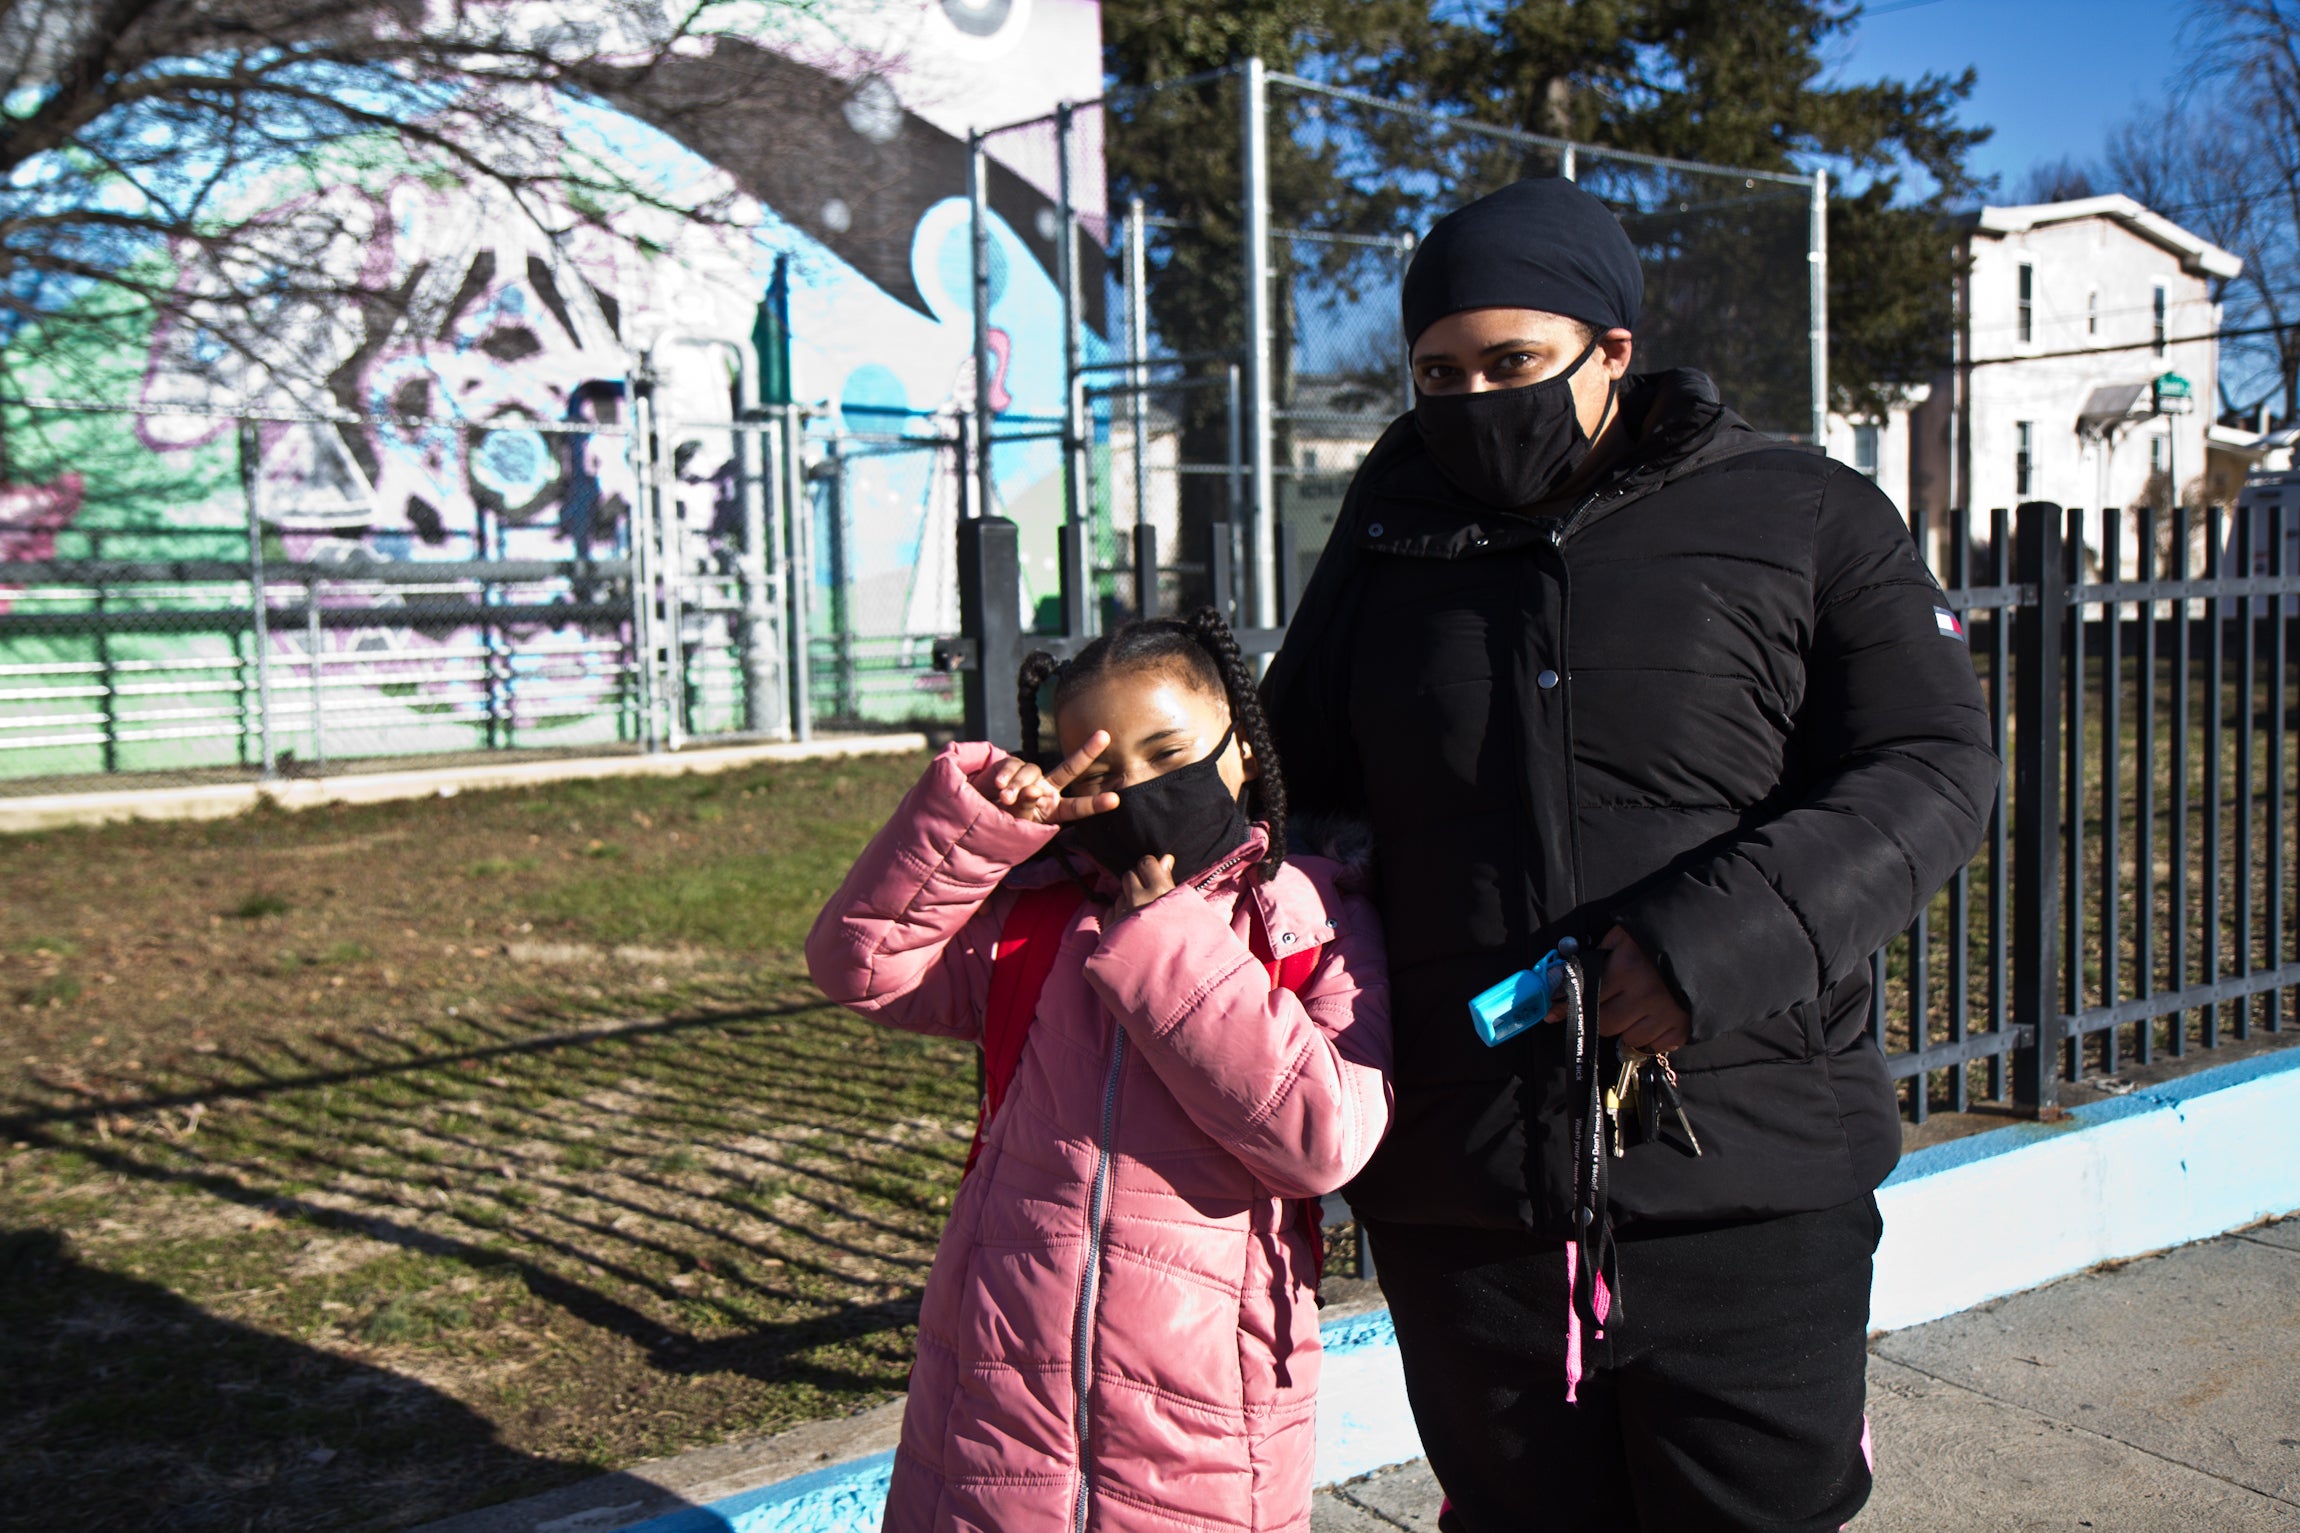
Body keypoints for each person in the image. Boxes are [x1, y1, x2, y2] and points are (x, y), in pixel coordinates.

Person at [1263, 178, 1999, 1532]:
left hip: (1746, 1183)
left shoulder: (1803, 514)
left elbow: (1933, 765)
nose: (1474, 396)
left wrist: (1699, 949)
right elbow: (1292, 789)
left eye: (1512, 363)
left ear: (1612, 350)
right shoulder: (1388, 537)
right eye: (1439, 371)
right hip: (1463, 1189)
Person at [807, 608, 1393, 1533]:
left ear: (1239, 748)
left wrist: (1166, 943)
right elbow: (858, 965)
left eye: (1170, 752)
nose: (1144, 788)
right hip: (993, 1417)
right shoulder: (1040, 919)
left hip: (1206, 1424)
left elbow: (1322, 1138)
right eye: (1106, 772)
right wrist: (977, 828)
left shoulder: (1311, 920)